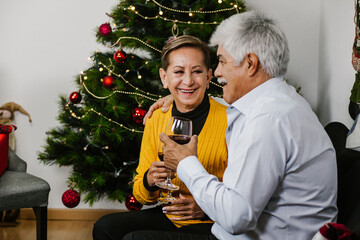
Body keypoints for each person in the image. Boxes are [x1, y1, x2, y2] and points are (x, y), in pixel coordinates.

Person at [137, 11, 338, 240]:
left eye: (222, 61)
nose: (218, 72)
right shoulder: (279, 103)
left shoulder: (268, 120)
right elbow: (222, 105)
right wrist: (178, 96)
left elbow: (236, 219)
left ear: (250, 63)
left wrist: (186, 162)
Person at [92, 35, 228, 240]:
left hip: (214, 221)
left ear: (209, 77)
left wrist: (206, 207)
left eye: (197, 72)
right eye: (179, 72)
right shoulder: (157, 117)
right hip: (171, 215)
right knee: (105, 227)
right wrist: (149, 180)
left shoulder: (230, 119)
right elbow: (141, 194)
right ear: (165, 78)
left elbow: (244, 195)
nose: (188, 81)